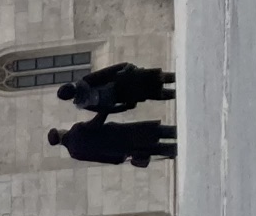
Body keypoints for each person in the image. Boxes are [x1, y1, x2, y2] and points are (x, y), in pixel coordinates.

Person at [56, 62, 176, 115]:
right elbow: (105, 73)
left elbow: (106, 110)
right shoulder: (84, 82)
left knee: (156, 93)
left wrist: (125, 107)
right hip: (124, 80)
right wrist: (123, 66)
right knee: (157, 77)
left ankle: (177, 94)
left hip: (125, 96)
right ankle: (179, 77)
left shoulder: (84, 104)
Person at [48, 118, 178, 165]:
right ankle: (178, 132)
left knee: (155, 149)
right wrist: (104, 110)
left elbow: (98, 158)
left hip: (119, 150)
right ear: (60, 132)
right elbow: (96, 123)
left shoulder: (74, 153)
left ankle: (176, 149)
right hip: (120, 133)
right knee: (155, 132)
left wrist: (117, 159)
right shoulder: (77, 130)